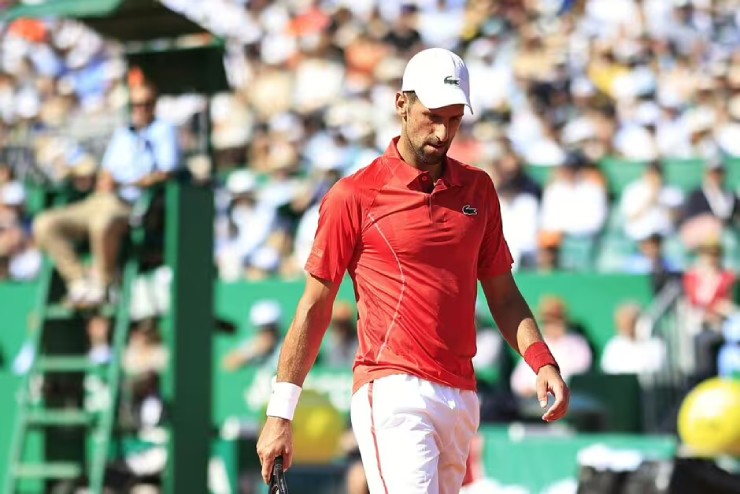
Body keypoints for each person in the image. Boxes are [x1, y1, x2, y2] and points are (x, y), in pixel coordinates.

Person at [256, 48, 570, 493]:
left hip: (461, 396)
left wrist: (541, 361)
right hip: (393, 388)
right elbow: (314, 308)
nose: (443, 132)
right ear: (401, 104)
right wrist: (280, 413)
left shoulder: (479, 188)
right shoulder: (353, 196)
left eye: (455, 119)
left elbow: (502, 293)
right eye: (432, 116)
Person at [33, 81, 179, 307]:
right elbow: (107, 171)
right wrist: (94, 177)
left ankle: (102, 285)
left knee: (103, 223)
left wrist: (127, 183)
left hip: (133, 204)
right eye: (136, 104)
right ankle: (80, 282)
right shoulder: (123, 134)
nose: (141, 109)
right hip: (101, 199)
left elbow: (166, 173)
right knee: (46, 223)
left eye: (146, 104)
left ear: (154, 105)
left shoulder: (164, 130)